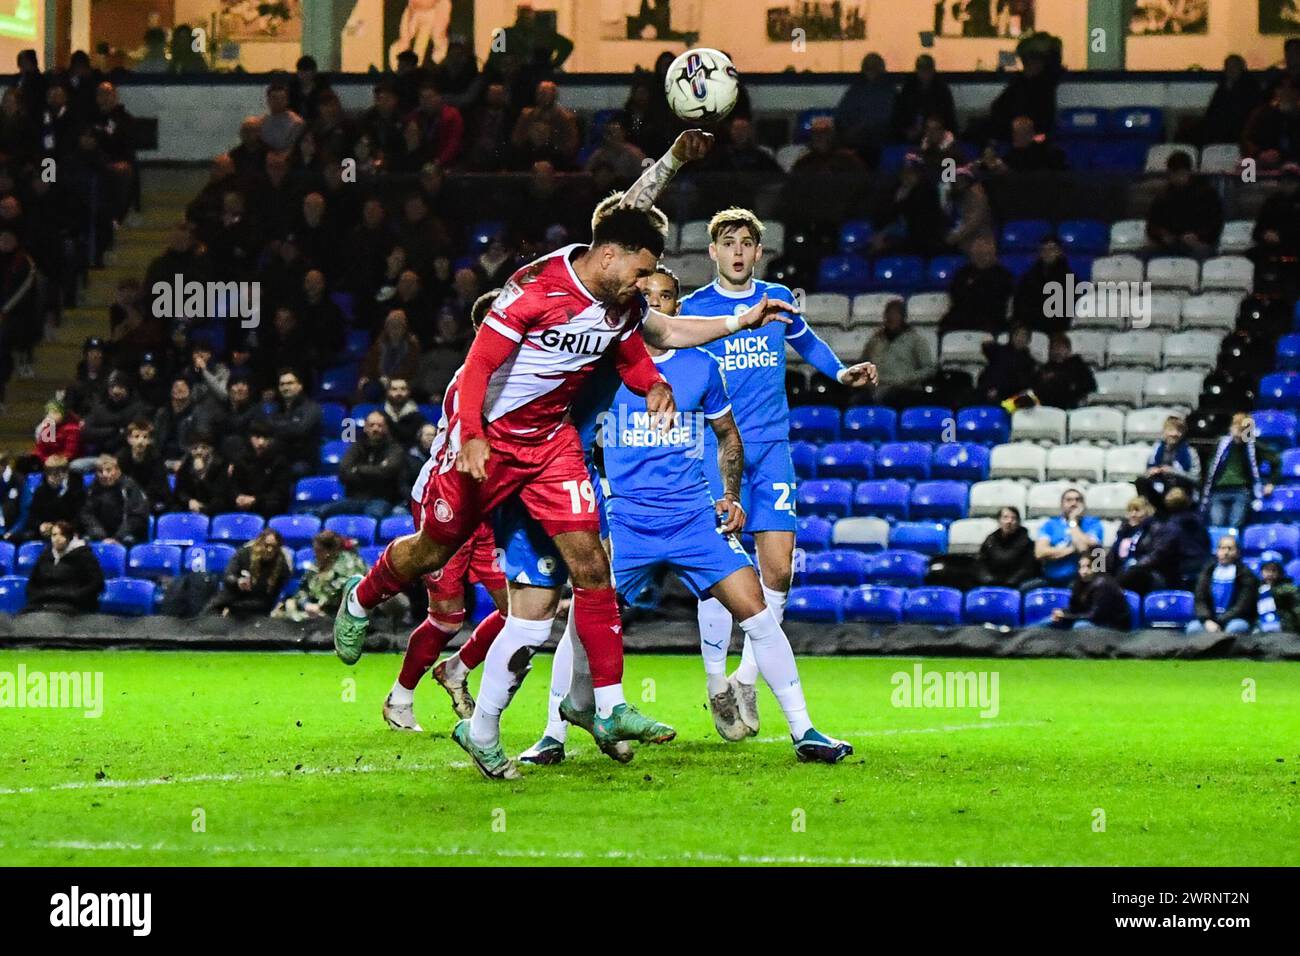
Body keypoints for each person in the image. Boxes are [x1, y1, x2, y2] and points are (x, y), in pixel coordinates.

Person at [333, 131, 802, 777]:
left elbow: (650, 335)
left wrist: (674, 370)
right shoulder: (536, 293)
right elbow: (479, 367)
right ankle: (368, 604)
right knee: (452, 563)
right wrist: (471, 433)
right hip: (492, 449)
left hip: (555, 451)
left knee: (567, 591)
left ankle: (590, 710)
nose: (647, 288)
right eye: (642, 275)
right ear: (609, 257)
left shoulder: (623, 304)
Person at [511, 264, 852, 765]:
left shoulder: (701, 366)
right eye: (645, 295)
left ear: (677, 306)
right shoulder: (605, 369)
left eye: (666, 296)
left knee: (757, 611)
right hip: (629, 523)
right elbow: (572, 441)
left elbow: (728, 437)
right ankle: (551, 735)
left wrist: (731, 495)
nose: (655, 304)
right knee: (587, 620)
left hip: (693, 519)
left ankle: (805, 732)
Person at [679, 205, 877, 736]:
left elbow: (806, 340)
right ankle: (717, 683)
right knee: (720, 574)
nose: (738, 250)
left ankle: (746, 678)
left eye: (747, 241)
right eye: (728, 242)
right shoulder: (696, 308)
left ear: (759, 252)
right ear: (713, 252)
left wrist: (840, 372)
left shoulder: (779, 300)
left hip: (771, 449)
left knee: (780, 570)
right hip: (719, 451)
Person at [1201, 413, 1278, 530]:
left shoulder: (1253, 446)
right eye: (1235, 427)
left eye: (1242, 429)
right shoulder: (1221, 444)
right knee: (1216, 526)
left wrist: (1271, 482)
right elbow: (1210, 465)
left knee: (1235, 527)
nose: (1238, 432)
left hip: (1241, 491)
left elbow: (1275, 460)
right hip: (1218, 490)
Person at [274, 530, 367, 623]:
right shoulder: (316, 565)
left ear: (330, 551)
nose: (315, 554)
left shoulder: (349, 564)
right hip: (313, 610)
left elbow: (341, 588)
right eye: (314, 550)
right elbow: (303, 588)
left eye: (318, 550)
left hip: (340, 612)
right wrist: (305, 604)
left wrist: (319, 606)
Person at [325, 412, 406, 520]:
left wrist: (358, 469)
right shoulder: (356, 447)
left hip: (381, 499)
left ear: (386, 428)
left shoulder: (395, 449)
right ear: (365, 427)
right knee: (322, 512)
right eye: (371, 425)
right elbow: (343, 473)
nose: (375, 429)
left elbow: (388, 472)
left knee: (372, 517)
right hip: (354, 498)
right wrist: (377, 471)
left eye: (380, 425)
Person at [1145, 151, 1224, 257]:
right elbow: (1152, 225)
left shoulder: (1207, 194)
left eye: (1181, 173)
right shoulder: (1163, 196)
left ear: (1189, 172)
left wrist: (1199, 237)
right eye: (1173, 174)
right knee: (1146, 254)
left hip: (1198, 244)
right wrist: (1161, 235)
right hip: (1168, 245)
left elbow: (1215, 224)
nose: (1177, 178)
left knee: (1202, 253)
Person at [861, 298, 935, 406]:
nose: (891, 317)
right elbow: (863, 363)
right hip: (875, 387)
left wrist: (908, 378)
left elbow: (929, 369)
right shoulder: (874, 340)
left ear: (903, 317)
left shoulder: (916, 340)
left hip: (903, 388)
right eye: (889, 314)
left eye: (895, 314)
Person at [205, 527, 291, 619]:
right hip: (233, 597)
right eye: (266, 545)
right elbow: (228, 576)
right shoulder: (244, 554)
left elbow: (277, 591)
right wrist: (238, 581)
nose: (269, 550)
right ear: (259, 543)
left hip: (258, 606)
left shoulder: (281, 563)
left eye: (274, 547)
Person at [24, 521, 104, 614]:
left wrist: (74, 596)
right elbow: (32, 583)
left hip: (73, 607)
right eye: (54, 535)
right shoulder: (45, 556)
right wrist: (39, 597)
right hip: (43, 604)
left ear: (70, 537)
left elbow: (97, 583)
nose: (57, 539)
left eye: (62, 535)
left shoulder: (84, 556)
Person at [940, 236, 1014, 335]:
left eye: (984, 251)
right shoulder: (962, 274)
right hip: (961, 319)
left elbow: (1000, 303)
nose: (981, 254)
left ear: (993, 252)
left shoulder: (1004, 276)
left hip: (991, 321)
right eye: (977, 250)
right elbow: (956, 298)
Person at [258, 368, 322, 478]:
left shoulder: (312, 408)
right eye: (282, 384)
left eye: (290, 383)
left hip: (302, 460)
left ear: (300, 386)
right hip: (280, 457)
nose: (285, 387)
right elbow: (265, 426)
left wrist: (276, 428)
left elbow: (300, 430)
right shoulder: (277, 410)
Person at [5, 456, 85, 544]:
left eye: (56, 474)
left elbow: (80, 517)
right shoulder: (40, 491)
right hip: (45, 534)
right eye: (48, 474)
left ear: (65, 473)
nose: (51, 478)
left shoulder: (76, 491)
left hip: (69, 533)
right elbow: (33, 516)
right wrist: (40, 526)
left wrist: (63, 528)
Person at [1034, 488, 1103, 588]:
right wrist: (1071, 549)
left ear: (1083, 505)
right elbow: (1040, 553)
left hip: (1080, 580)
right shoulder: (1050, 525)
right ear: (1062, 505)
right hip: (1050, 579)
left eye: (1078, 500)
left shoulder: (1093, 524)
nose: (1074, 503)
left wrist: (1072, 522)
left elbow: (1083, 548)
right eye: (1069, 500)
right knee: (1025, 590)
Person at [834, 52, 896, 162]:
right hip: (855, 141)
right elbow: (841, 115)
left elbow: (890, 117)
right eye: (868, 67)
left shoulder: (889, 91)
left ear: (881, 69)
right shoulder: (854, 91)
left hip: (880, 141)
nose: (871, 70)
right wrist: (848, 130)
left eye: (874, 67)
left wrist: (865, 127)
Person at [1188, 535, 1257, 634]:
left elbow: (1242, 606)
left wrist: (1219, 621)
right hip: (1210, 620)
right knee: (1193, 628)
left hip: (1236, 619)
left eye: (1230, 549)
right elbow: (1200, 600)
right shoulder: (1208, 571)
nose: (1226, 552)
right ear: (1217, 551)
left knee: (1234, 628)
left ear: (1237, 553)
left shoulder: (1246, 574)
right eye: (1222, 548)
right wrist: (1207, 620)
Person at [80, 454, 149, 546]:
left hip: (126, 534)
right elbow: (87, 515)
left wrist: (118, 537)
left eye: (108, 470)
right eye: (100, 471)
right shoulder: (92, 490)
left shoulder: (129, 487)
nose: (104, 474)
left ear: (117, 471)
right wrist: (100, 536)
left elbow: (137, 516)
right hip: (100, 535)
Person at [228, 421, 292, 520]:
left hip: (267, 508)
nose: (261, 442)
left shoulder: (279, 461)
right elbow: (234, 486)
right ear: (250, 438)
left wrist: (255, 500)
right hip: (243, 506)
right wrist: (237, 497)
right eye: (257, 437)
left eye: (265, 438)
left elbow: (280, 493)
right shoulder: (240, 460)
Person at [1136, 415, 1201, 511]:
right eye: (1171, 430)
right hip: (1160, 488)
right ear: (1165, 431)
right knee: (1141, 481)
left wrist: (1174, 472)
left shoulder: (1190, 452)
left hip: (1182, 491)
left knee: (1177, 494)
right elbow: (1147, 471)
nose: (1174, 434)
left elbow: (1196, 479)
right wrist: (1151, 472)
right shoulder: (1156, 449)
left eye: (1179, 431)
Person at [1051, 554, 1132, 631]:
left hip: (1112, 627)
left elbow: (1095, 616)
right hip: (1090, 620)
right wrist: (1061, 613)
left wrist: (1067, 616)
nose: (1084, 571)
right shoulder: (1079, 583)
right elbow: (1075, 608)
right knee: (1050, 621)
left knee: (1079, 626)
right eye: (1081, 567)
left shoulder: (1103, 584)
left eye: (1088, 567)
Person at [976, 506, 1039, 589]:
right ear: (999, 521)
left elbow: (1027, 568)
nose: (1009, 521)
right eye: (1005, 517)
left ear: (1018, 522)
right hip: (991, 582)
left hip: (1017, 584)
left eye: (1013, 518)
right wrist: (988, 579)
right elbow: (981, 563)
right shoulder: (990, 540)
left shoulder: (1026, 542)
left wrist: (1009, 583)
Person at [170, 433, 230, 516]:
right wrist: (189, 501)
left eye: (204, 448)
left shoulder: (220, 466)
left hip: (211, 510)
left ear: (210, 449)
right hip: (189, 508)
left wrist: (201, 476)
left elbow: (219, 498)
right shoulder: (186, 465)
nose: (199, 451)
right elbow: (179, 492)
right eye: (195, 448)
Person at [1032, 333, 1096, 410]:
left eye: (1060, 347)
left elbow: (1091, 385)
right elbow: (1037, 389)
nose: (1057, 351)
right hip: (1049, 407)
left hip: (1073, 405)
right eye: (1054, 348)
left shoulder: (1078, 365)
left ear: (1068, 349)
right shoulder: (1046, 368)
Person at [977, 323, 1037, 403]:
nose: (1020, 338)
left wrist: (999, 391)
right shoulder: (999, 350)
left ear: (1028, 340)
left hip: (1010, 398)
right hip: (987, 390)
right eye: (1017, 335)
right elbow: (986, 346)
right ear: (1011, 337)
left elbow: (1023, 384)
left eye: (1024, 336)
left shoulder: (1029, 361)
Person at [1253, 559, 1300, 633]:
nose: (1270, 574)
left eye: (1274, 570)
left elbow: (1297, 609)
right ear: (1261, 572)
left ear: (1280, 573)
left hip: (1285, 627)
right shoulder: (1255, 588)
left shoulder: (1289, 589)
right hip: (1260, 625)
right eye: (1267, 570)